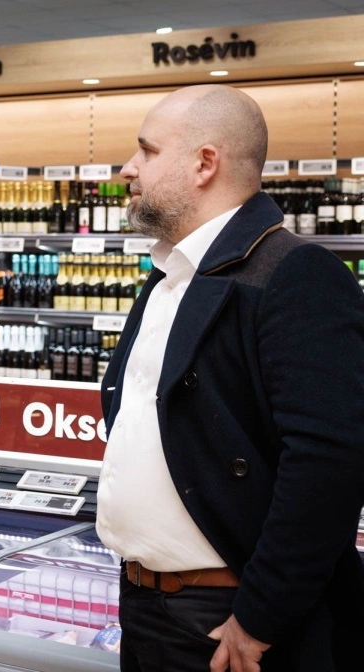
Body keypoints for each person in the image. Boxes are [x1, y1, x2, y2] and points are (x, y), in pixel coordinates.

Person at [98, 84, 364, 672]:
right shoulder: (171, 273)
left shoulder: (298, 275)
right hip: (146, 604)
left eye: (145, 150)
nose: (128, 168)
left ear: (204, 164)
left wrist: (262, 614)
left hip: (227, 620)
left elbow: (328, 464)